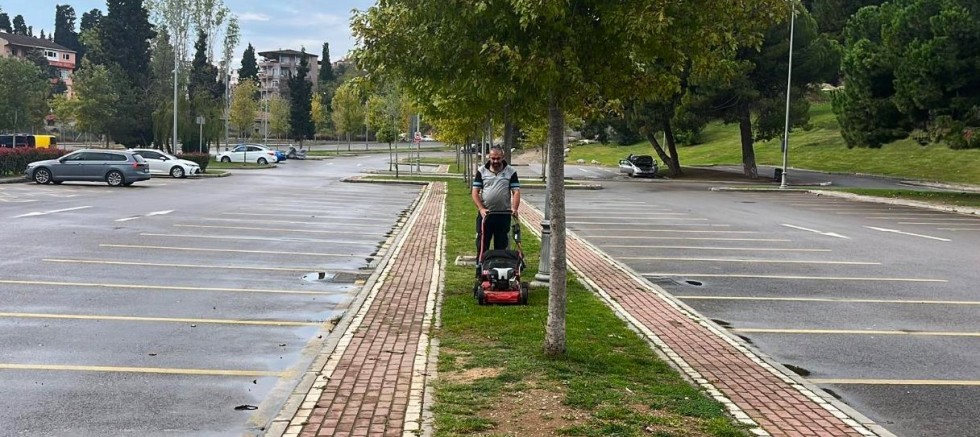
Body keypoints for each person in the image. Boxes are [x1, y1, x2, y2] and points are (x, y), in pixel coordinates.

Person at [472, 146, 521, 257]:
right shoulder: (481, 171)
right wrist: (481, 208)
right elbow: (475, 192)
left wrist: (515, 208)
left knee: (501, 244)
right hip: (486, 215)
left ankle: (499, 267)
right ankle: (481, 269)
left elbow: (516, 192)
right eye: (493, 158)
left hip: (503, 214)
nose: (495, 161)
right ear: (489, 157)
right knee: (482, 244)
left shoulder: (511, 172)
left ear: (502, 157)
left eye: (498, 158)